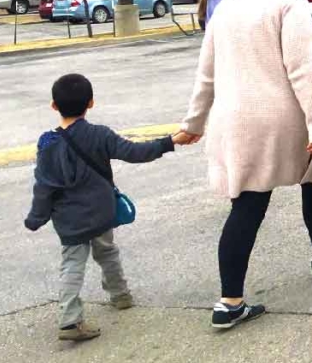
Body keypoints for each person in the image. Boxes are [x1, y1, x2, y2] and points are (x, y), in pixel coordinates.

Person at [180, 0, 312, 330]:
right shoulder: (286, 3)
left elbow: (205, 75)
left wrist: (192, 124)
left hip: (234, 119)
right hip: (283, 117)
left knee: (247, 205)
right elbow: (301, 70)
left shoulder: (225, 7)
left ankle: (229, 302)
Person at [24, 73, 193, 341]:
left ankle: (69, 319)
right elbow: (135, 153)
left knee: (72, 264)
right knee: (107, 252)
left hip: (69, 219)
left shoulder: (47, 144)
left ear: (54, 106)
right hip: (101, 212)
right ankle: (120, 295)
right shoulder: (99, 135)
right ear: (90, 103)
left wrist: (36, 217)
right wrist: (170, 141)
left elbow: (43, 186)